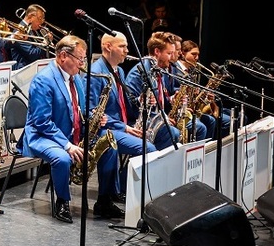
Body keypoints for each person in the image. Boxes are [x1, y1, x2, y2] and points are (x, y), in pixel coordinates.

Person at [21, 35, 122, 223]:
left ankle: (104, 201)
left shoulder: (75, 78)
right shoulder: (43, 80)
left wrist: (94, 116)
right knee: (62, 158)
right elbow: (42, 122)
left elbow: (80, 109)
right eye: (79, 59)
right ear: (62, 56)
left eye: (84, 59)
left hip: (72, 132)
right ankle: (62, 201)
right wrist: (67, 145)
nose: (83, 64)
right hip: (42, 136)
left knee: (109, 147)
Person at [90, 31, 157, 197]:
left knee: (158, 135)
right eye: (122, 46)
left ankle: (121, 187)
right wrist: (124, 128)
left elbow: (124, 101)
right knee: (148, 149)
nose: (127, 51)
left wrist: (141, 100)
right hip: (104, 130)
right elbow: (92, 112)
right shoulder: (95, 73)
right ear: (108, 47)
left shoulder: (118, 70)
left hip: (119, 125)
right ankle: (121, 189)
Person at [122, 31, 185, 149]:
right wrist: (142, 100)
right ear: (157, 52)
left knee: (176, 131)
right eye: (169, 53)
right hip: (140, 123)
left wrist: (172, 99)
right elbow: (129, 108)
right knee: (172, 133)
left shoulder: (160, 70)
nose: (172, 58)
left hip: (156, 119)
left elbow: (161, 98)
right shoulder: (138, 73)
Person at [180, 39, 232, 137]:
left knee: (221, 119)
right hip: (184, 111)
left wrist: (205, 97)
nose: (197, 58)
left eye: (198, 55)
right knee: (208, 123)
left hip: (193, 109)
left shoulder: (192, 72)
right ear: (182, 53)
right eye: (193, 54)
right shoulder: (177, 71)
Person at [10, 3, 52, 69]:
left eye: (43, 19)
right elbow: (32, 54)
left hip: (33, 68)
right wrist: (45, 43)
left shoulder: (33, 30)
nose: (42, 22)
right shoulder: (19, 31)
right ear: (30, 16)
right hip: (23, 70)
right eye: (40, 18)